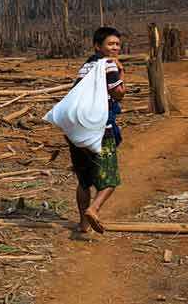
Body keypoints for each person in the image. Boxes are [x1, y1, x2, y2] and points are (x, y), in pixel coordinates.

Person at [68, 26, 125, 236]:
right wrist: (121, 70)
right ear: (98, 46)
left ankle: (82, 224)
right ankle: (94, 209)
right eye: (111, 44)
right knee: (110, 179)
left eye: (117, 44)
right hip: (100, 130)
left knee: (84, 181)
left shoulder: (86, 65)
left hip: (76, 129)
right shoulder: (110, 65)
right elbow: (119, 94)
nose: (115, 47)